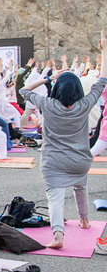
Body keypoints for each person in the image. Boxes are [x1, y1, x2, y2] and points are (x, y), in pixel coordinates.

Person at [20, 34, 107, 249]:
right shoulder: (84, 104)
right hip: (80, 161)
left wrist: (48, 78)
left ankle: (58, 236)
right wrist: (104, 51)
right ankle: (85, 220)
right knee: (80, 187)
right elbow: (102, 81)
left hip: (54, 162)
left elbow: (23, 89)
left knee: (55, 198)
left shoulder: (48, 104)